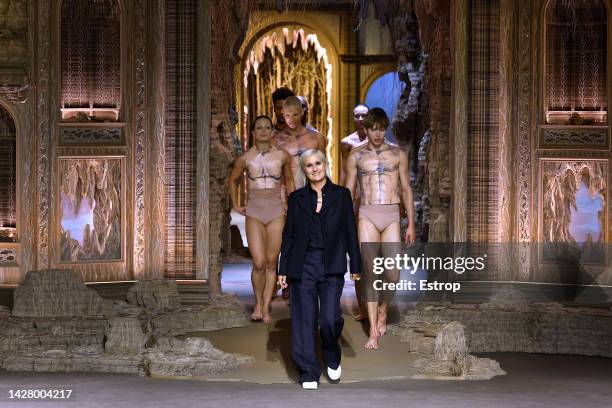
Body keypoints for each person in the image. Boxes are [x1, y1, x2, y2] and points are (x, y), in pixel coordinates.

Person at [277, 149, 360, 390]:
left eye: (318, 163)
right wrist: (283, 268)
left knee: (330, 318)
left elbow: (349, 232)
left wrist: (355, 264)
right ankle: (308, 370)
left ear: (325, 165)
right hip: (302, 264)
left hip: (331, 263)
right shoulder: (296, 199)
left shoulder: (342, 195)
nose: (314, 168)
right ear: (304, 170)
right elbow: (289, 236)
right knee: (304, 319)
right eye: (309, 165)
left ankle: (331, 352)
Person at [344, 108, 416, 350]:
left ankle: (384, 307)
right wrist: (342, 223)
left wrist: (412, 224)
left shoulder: (398, 154)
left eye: (381, 129)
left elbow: (406, 189)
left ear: (386, 129)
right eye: (372, 128)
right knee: (371, 272)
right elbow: (348, 192)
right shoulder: (356, 156)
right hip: (366, 213)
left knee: (393, 273)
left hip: (391, 214)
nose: (377, 133)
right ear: (366, 128)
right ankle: (373, 330)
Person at [229, 115, 295, 323]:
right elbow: (233, 180)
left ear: (272, 131)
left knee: (270, 262)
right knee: (258, 262)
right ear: (253, 132)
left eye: (267, 127)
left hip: (276, 209)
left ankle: (265, 307)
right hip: (255, 210)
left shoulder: (283, 156)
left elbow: (290, 180)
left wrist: (291, 204)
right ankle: (257, 302)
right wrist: (235, 204)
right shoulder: (245, 158)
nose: (264, 131)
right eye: (259, 128)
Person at [339, 103, 369, 321]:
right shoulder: (347, 143)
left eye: (363, 115)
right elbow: (344, 172)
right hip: (355, 199)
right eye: (356, 115)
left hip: (373, 200)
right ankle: (362, 305)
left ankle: (375, 303)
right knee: (357, 254)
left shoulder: (380, 144)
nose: (360, 118)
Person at [277, 96, 327, 189]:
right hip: (287, 192)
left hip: (313, 191)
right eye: (288, 115)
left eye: (295, 115)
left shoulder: (316, 138)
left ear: (302, 112)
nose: (291, 119)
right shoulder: (276, 140)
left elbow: (323, 169)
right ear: (283, 114)